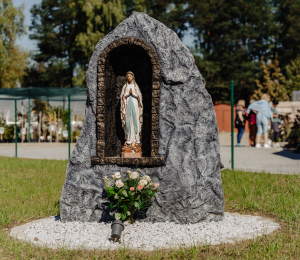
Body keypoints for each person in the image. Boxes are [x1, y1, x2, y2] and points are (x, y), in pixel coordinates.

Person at [120, 71, 143, 144]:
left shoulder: (135, 86)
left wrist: (132, 93)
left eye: (130, 76)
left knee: (135, 120)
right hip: (127, 105)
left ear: (132, 77)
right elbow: (122, 97)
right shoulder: (125, 86)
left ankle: (136, 139)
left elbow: (139, 97)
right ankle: (129, 138)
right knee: (128, 120)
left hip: (135, 105)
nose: (129, 77)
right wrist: (127, 94)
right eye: (128, 76)